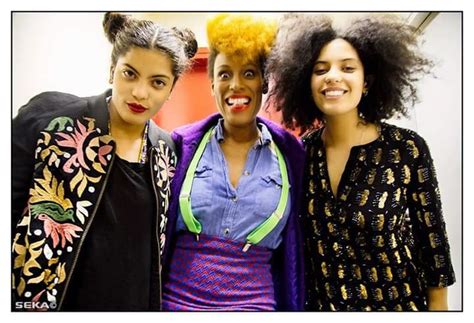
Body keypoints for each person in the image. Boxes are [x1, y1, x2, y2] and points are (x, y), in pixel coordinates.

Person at [266, 14, 456, 311]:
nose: (333, 76)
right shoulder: (300, 155)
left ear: (366, 82)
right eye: (320, 69)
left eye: (348, 68)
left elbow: (434, 248)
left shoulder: (406, 148)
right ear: (306, 82)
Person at [12, 12, 197, 311]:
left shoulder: (166, 150)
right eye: (130, 73)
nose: (140, 92)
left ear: (171, 89)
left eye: (157, 82)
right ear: (112, 70)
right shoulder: (53, 120)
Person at [161, 13, 305, 311]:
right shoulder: (181, 145)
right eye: (225, 74)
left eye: (249, 73)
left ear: (264, 83)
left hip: (256, 307)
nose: (236, 85)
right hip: (174, 305)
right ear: (212, 84)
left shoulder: (292, 154)